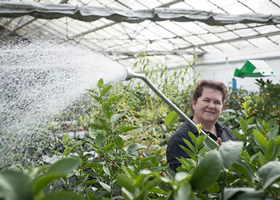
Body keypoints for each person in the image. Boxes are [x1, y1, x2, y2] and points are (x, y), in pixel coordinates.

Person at [166, 79, 236, 172]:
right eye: (206, 100)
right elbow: (180, 180)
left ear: (222, 107)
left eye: (217, 102)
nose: (211, 106)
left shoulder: (227, 133)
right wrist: (208, 159)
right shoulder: (181, 138)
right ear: (194, 103)